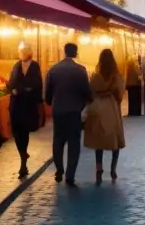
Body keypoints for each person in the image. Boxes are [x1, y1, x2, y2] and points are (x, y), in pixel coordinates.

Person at [44, 42, 92, 185]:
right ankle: (70, 174)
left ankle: (59, 168)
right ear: (76, 53)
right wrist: (83, 104)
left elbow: (47, 94)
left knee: (58, 140)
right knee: (74, 142)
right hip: (74, 111)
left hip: (58, 110)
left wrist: (50, 102)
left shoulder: (53, 70)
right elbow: (87, 93)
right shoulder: (80, 70)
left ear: (64, 52)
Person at [83, 48, 126, 184]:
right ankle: (113, 169)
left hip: (98, 110)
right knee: (115, 141)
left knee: (98, 143)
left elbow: (90, 92)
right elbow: (120, 94)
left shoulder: (96, 77)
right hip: (112, 109)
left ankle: (99, 169)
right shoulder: (116, 77)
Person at [7, 42, 43, 179]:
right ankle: (23, 154)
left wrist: (26, 90)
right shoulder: (16, 66)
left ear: (27, 53)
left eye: (20, 51)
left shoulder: (34, 66)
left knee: (24, 130)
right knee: (16, 131)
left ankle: (23, 162)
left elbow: (37, 83)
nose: (18, 53)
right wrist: (14, 89)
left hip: (27, 104)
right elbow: (11, 82)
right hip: (16, 103)